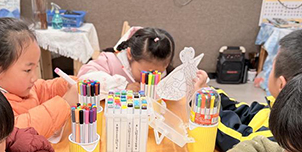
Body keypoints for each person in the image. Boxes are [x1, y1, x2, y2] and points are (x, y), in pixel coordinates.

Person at [216, 27, 302, 152]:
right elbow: (247, 114)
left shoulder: (287, 133)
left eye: (272, 66)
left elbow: (240, 141)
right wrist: (211, 93)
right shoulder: (292, 106)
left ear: (282, 85)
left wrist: (208, 114)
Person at [0, 18, 79, 139]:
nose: (34, 77)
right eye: (28, 70)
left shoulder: (20, 87)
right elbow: (24, 130)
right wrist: (65, 103)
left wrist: (68, 84)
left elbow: (44, 89)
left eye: (35, 67)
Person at [78, 27, 209, 92]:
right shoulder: (110, 61)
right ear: (129, 54)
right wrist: (123, 86)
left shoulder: (166, 72)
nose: (151, 78)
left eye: (158, 73)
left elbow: (185, 88)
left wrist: (200, 84)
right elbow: (84, 77)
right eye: (146, 73)